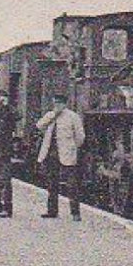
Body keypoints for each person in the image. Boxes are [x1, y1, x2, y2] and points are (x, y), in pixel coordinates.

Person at [35, 91, 86, 219]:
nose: (57, 105)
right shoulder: (50, 115)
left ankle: (75, 213)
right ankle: (52, 211)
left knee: (71, 184)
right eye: (55, 103)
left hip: (67, 154)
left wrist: (73, 147)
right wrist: (53, 115)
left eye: (59, 103)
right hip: (51, 153)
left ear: (64, 104)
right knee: (52, 183)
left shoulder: (73, 117)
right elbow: (39, 125)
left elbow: (80, 136)